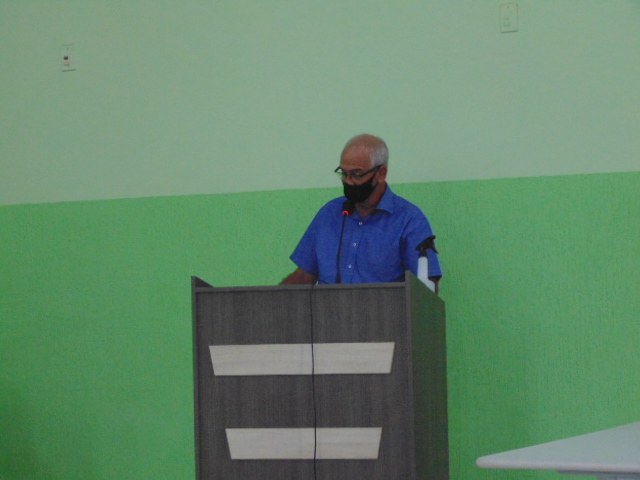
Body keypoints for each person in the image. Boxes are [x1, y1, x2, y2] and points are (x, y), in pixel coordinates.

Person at [282, 133, 442, 291]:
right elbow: (303, 276)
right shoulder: (329, 214)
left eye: (356, 174)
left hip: (384, 308)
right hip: (327, 309)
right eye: (344, 173)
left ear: (381, 173)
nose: (348, 181)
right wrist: (272, 301)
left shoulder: (409, 220)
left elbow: (426, 289)